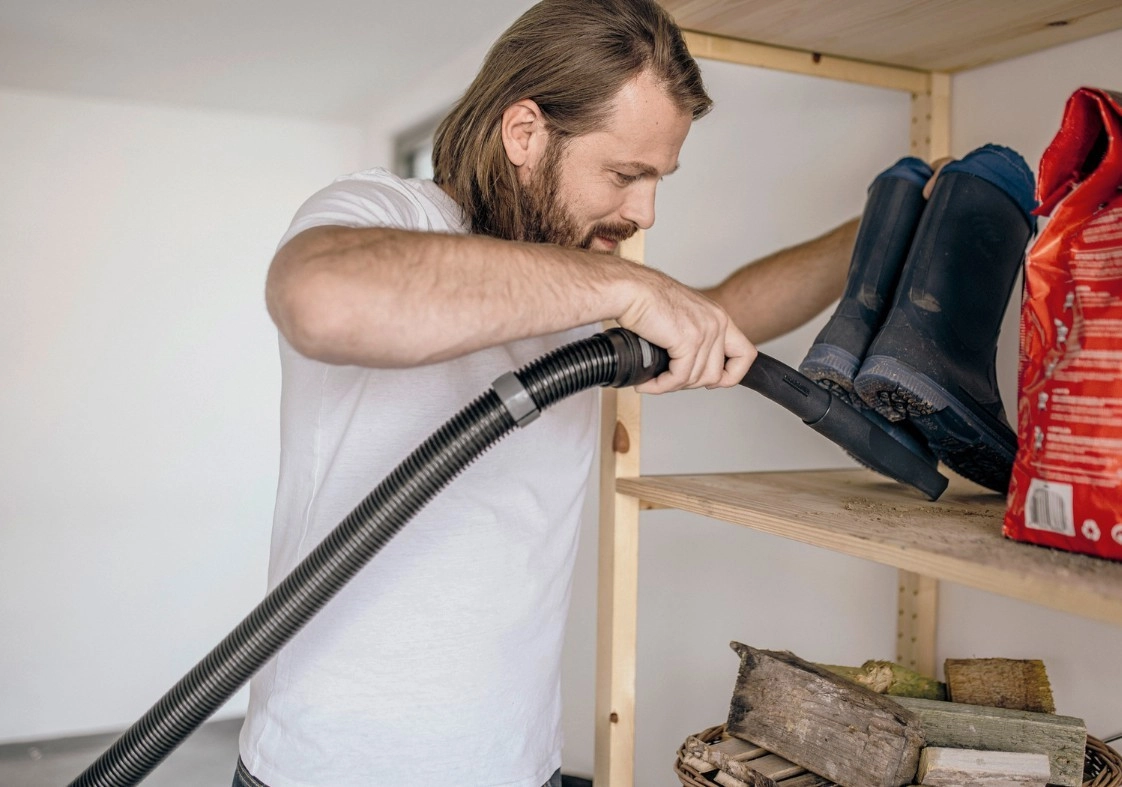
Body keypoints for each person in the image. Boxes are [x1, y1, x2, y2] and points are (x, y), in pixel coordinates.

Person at [234, 1, 860, 785]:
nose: (644, 212)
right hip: (326, 767)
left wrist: (875, 234)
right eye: (625, 174)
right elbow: (322, 299)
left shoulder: (580, 277)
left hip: (514, 763)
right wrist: (625, 286)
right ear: (525, 132)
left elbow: (720, 316)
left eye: (658, 179)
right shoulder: (385, 210)